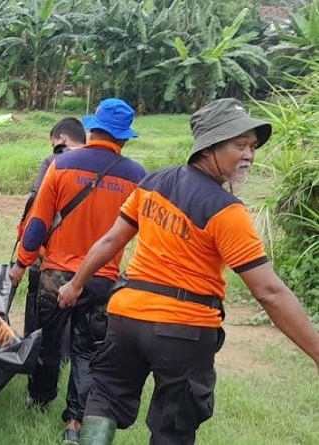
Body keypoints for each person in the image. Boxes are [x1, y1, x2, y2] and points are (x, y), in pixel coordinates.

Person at [57, 98, 319, 445]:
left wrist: (75, 284)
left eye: (252, 147)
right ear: (209, 145)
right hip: (183, 330)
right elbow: (269, 292)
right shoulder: (227, 211)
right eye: (239, 145)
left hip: (125, 318)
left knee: (105, 397)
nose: (249, 156)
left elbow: (110, 240)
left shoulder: (153, 183)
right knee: (174, 425)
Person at [9, 99, 146, 444]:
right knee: (87, 351)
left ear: (93, 128)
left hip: (55, 276)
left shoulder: (61, 165)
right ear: (124, 139)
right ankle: (74, 422)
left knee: (48, 345)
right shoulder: (137, 177)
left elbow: (38, 224)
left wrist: (20, 264)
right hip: (102, 279)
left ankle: (39, 398)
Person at [18, 117, 87, 338]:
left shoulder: (54, 161)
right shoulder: (105, 165)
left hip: (52, 253)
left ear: (62, 139)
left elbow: (36, 202)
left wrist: (23, 245)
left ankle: (30, 345)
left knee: (40, 301)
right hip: (93, 260)